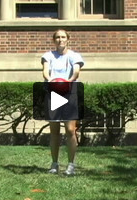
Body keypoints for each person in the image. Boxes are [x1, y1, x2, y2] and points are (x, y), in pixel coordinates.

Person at [41, 29, 84, 175]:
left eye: (63, 37)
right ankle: (54, 164)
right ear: (54, 40)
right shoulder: (48, 56)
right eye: (58, 37)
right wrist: (52, 80)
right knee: (54, 132)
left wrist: (68, 82)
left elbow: (76, 71)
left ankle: (71, 164)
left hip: (70, 93)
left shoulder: (74, 56)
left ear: (68, 39)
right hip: (54, 94)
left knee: (70, 130)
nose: (60, 39)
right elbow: (45, 71)